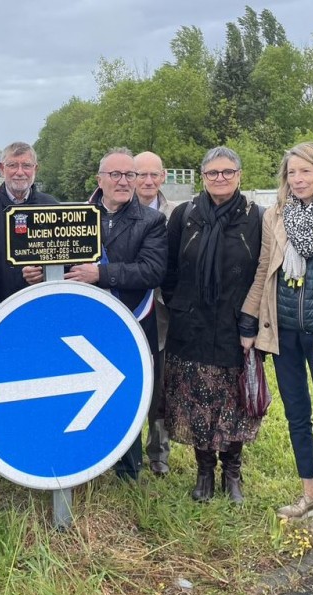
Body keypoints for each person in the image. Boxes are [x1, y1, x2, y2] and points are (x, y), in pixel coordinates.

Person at [239, 142, 313, 536]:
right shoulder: (276, 216)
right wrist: (248, 323)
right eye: (292, 173)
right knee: (296, 415)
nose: (299, 180)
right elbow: (263, 270)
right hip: (283, 331)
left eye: (307, 172)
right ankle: (310, 493)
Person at [161, 146, 262, 504]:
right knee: (197, 404)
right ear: (203, 177)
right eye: (212, 173)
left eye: (227, 172)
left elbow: (262, 276)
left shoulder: (257, 218)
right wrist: (179, 303)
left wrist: (250, 321)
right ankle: (204, 471)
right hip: (191, 327)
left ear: (239, 175)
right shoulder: (184, 215)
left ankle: (232, 473)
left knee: (234, 405)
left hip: (237, 328)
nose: (220, 178)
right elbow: (169, 269)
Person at [74, 148, 167, 480]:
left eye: (130, 175)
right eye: (115, 175)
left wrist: (101, 274)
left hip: (134, 319)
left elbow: (152, 271)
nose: (124, 181)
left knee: (128, 391)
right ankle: (89, 461)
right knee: (88, 391)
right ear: (100, 179)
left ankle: (129, 469)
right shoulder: (77, 217)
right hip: (87, 321)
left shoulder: (152, 221)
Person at [0, 142, 59, 310]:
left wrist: (44, 271)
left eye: (26, 166)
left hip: (42, 305)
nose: (20, 172)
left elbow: (69, 257)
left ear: (35, 169)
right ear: (2, 168)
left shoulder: (52, 206)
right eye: (13, 165)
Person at [133, 151, 173, 477]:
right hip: (128, 310)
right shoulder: (115, 211)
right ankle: (126, 452)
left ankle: (158, 452)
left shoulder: (180, 214)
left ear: (163, 177)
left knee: (160, 386)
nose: (147, 181)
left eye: (153, 175)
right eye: (140, 174)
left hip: (165, 314)